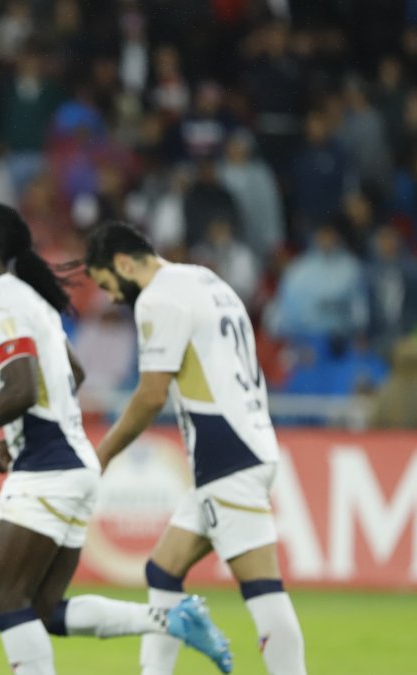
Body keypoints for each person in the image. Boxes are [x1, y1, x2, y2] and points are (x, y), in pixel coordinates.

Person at [0, 202, 231, 675]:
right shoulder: (31, 301)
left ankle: (174, 618)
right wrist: (17, 433)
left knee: (7, 600)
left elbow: (21, 388)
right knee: (41, 609)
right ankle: (173, 618)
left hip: (47, 469)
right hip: (70, 464)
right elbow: (73, 371)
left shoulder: (4, 301)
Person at [85, 222, 307, 675]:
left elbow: (151, 395)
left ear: (124, 263)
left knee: (264, 593)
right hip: (245, 442)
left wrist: (101, 455)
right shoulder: (208, 281)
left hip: (228, 456)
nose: (111, 298)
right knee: (162, 570)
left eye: (108, 284)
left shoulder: (158, 298)